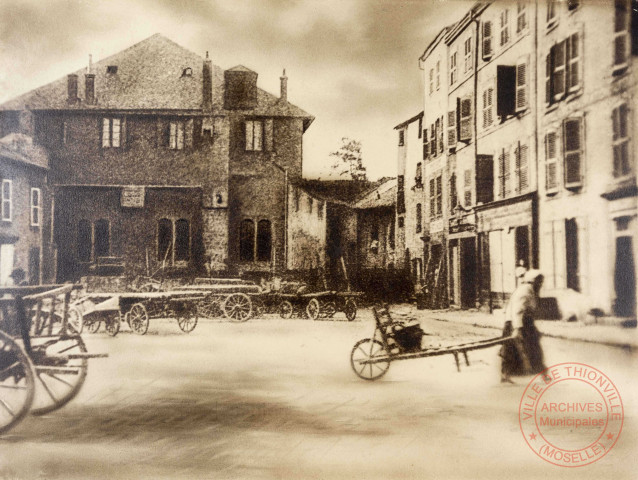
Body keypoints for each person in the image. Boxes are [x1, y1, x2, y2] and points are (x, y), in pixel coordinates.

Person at [500, 269, 546, 383]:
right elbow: (518, 311)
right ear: (533, 281)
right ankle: (505, 375)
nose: (541, 284)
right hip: (516, 323)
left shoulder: (530, 290)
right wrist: (517, 329)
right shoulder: (525, 291)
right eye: (539, 281)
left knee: (533, 348)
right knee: (511, 350)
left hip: (525, 323)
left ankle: (543, 373)